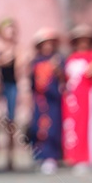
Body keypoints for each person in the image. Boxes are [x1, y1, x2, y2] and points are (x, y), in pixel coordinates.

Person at [29, 27, 65, 174]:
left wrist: (57, 70)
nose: (48, 46)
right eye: (45, 43)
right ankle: (41, 155)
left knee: (54, 128)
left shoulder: (59, 59)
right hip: (40, 101)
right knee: (38, 128)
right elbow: (32, 83)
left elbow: (64, 80)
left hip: (54, 100)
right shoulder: (35, 61)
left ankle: (52, 157)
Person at [63, 25, 92, 173]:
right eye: (80, 40)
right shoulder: (71, 58)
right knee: (73, 127)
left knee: (86, 126)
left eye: (85, 40)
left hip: (87, 96)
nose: (83, 43)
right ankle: (74, 157)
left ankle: (86, 158)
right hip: (72, 98)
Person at [0, 18, 21, 171]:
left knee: (11, 122)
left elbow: (21, 66)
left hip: (11, 87)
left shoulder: (18, 48)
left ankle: (10, 158)